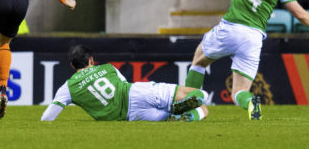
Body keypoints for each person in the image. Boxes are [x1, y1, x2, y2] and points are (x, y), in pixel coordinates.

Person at [41, 45, 210, 122]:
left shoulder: (68, 87)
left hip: (131, 116)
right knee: (202, 100)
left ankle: (177, 115)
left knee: (172, 118)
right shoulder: (108, 68)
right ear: (91, 60)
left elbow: (48, 117)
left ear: (72, 66)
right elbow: (123, 83)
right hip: (135, 93)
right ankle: (176, 107)